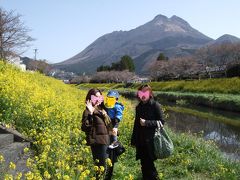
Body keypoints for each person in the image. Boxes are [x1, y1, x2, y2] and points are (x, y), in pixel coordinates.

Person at [131, 84, 165, 180]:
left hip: (151, 140)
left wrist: (147, 123)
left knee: (149, 164)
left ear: (150, 93)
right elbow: (136, 124)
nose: (143, 95)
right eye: (141, 93)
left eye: (145, 92)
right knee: (143, 163)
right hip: (141, 140)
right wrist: (133, 140)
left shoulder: (155, 105)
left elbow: (162, 122)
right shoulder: (139, 107)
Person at [81, 88, 112, 180]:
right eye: (96, 97)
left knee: (106, 168)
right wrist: (90, 113)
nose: (98, 100)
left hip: (106, 141)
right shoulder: (88, 110)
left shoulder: (102, 110)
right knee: (101, 169)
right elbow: (84, 127)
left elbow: (107, 126)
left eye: (100, 97)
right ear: (90, 99)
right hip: (98, 143)